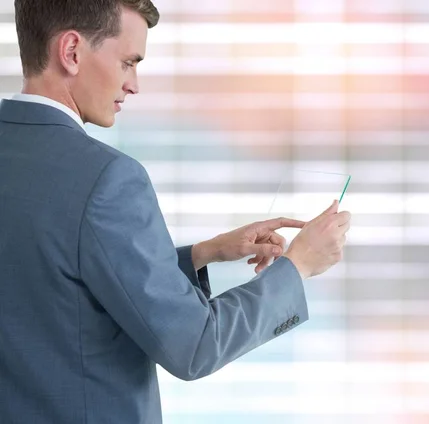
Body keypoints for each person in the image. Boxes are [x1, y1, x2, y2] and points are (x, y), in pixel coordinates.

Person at [0, 0, 351, 423]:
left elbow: (56, 286)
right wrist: (299, 266)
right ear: (72, 51)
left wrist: (203, 253)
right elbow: (195, 346)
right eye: (129, 62)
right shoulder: (107, 179)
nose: (134, 84)